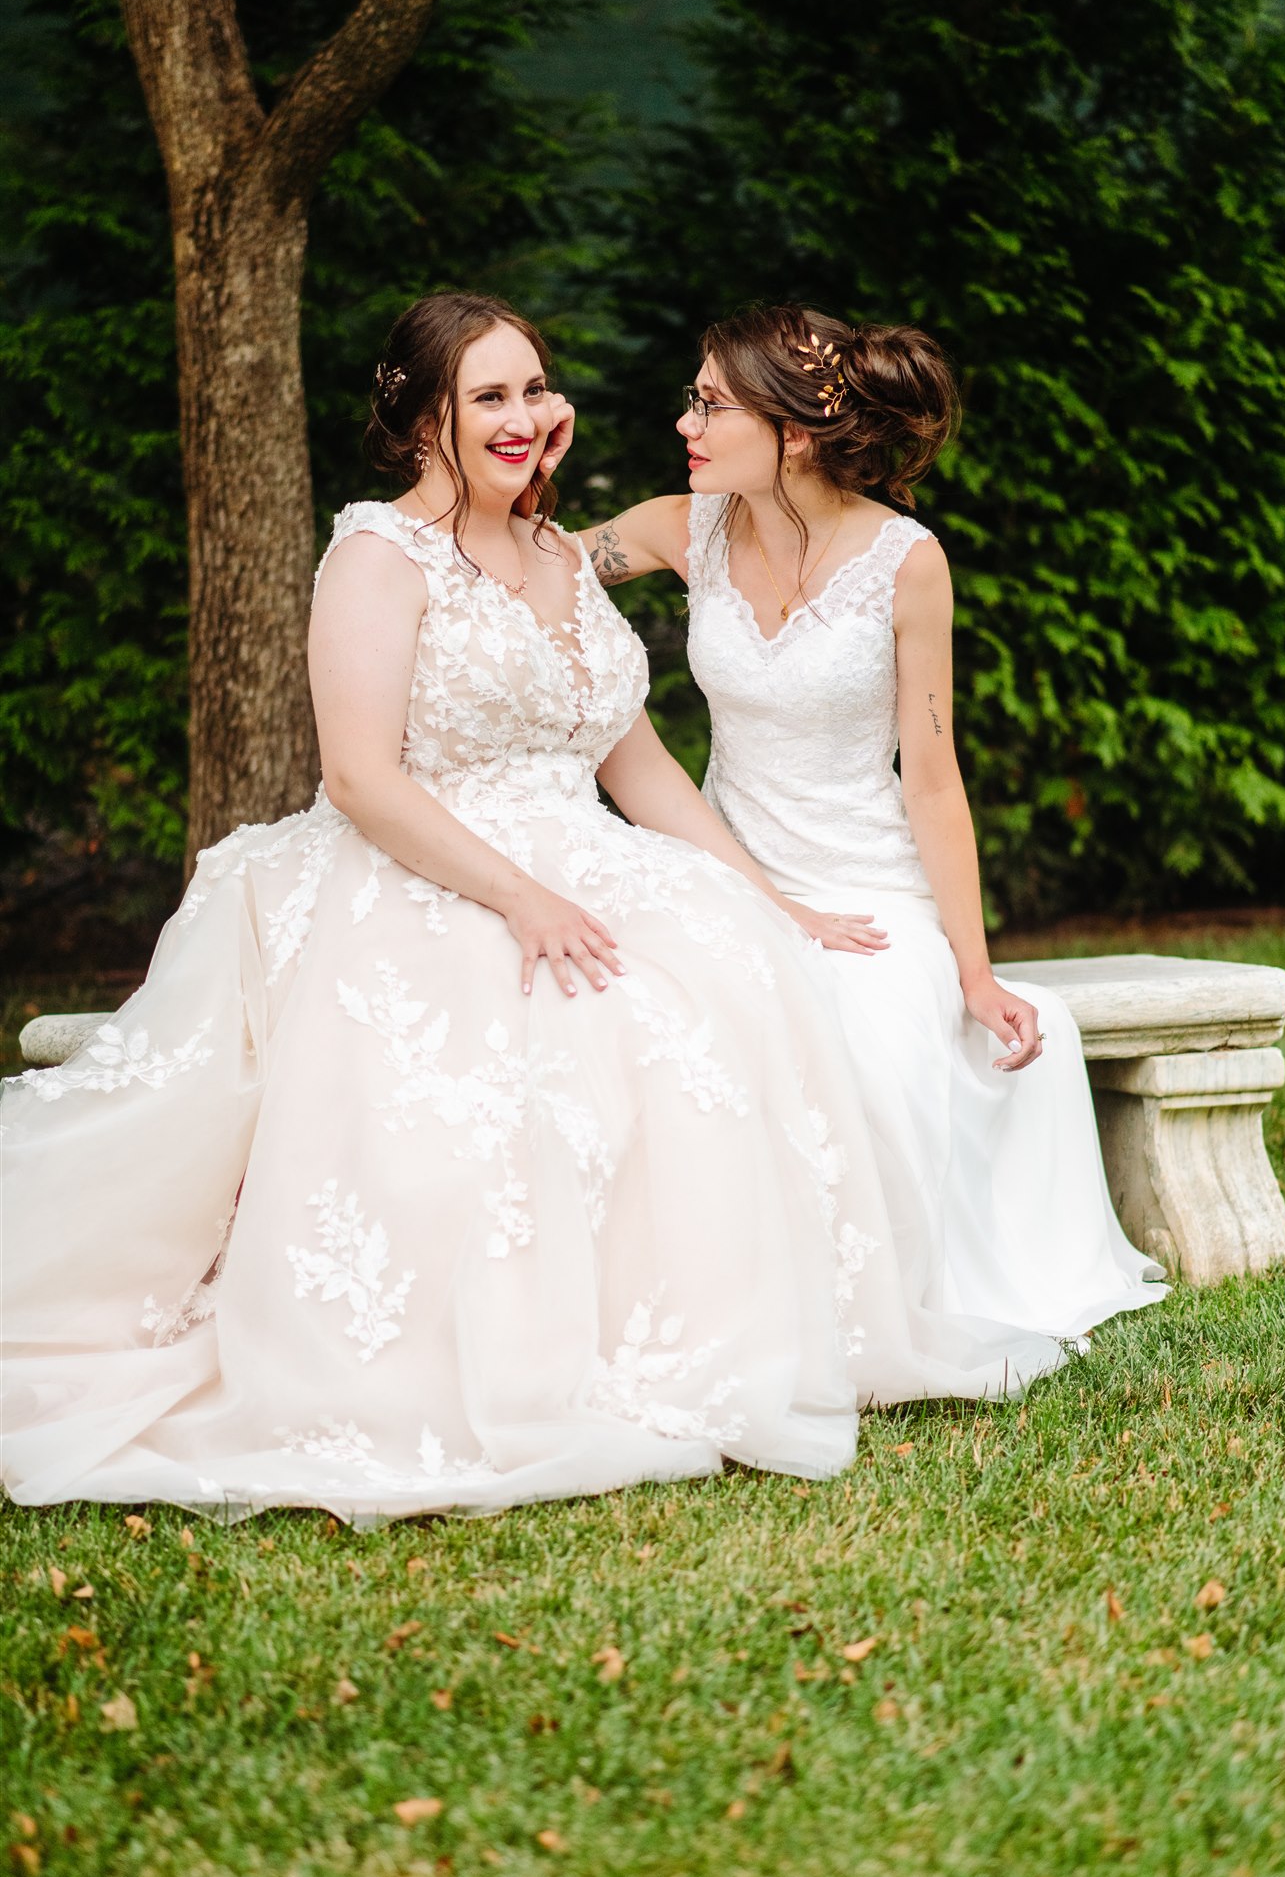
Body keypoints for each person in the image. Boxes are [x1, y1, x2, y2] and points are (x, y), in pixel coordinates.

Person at [1, 292, 1071, 1529]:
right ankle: (511, 1350)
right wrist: (519, 897)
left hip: (585, 860)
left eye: (533, 391)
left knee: (721, 976)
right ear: (420, 420)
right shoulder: (375, 556)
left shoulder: (564, 556)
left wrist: (771, 900)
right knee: (555, 1029)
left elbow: (645, 769)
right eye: (487, 397)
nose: (522, 416)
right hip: (421, 868)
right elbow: (360, 777)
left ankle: (694, 1337)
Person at [577, 304, 1167, 1339]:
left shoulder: (907, 560)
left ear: (793, 432)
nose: (686, 423)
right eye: (692, 399)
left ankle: (834, 1314)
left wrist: (974, 972)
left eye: (710, 403)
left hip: (868, 893)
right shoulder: (682, 529)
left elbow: (932, 778)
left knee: (863, 1039)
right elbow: (543, 563)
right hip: (724, 873)